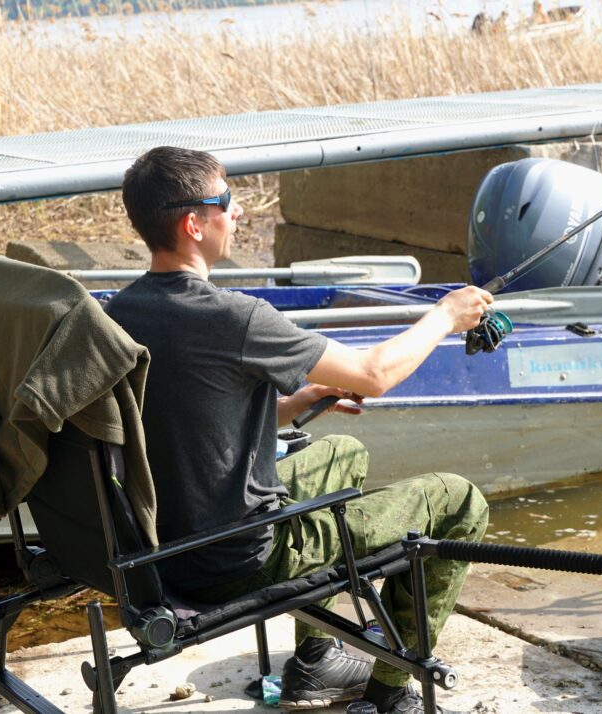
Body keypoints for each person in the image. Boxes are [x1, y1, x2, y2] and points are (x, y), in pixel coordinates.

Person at [104, 146, 491, 714]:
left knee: (342, 453)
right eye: (227, 201)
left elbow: (184, 423)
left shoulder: (121, 312)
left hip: (167, 553)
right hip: (239, 561)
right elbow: (374, 374)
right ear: (193, 224)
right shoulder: (235, 317)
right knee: (459, 501)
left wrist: (295, 403)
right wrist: (445, 316)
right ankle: (391, 685)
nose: (238, 211)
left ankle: (316, 660)